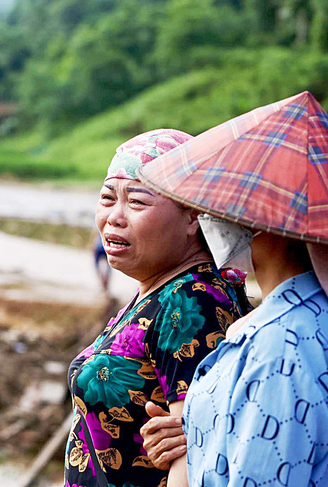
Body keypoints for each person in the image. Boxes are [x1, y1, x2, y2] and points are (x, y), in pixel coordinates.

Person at [135, 95, 328, 486]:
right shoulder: (284, 321)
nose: (215, 217)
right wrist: (195, 432)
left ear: (261, 221)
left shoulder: (279, 347)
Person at [64, 129, 251, 487]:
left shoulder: (191, 299)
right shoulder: (157, 291)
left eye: (136, 202)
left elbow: (189, 456)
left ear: (193, 216)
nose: (114, 217)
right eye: (107, 198)